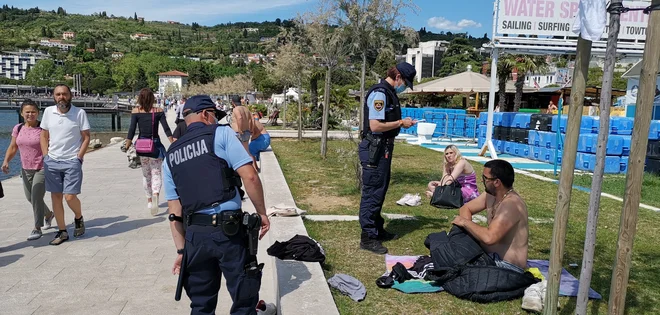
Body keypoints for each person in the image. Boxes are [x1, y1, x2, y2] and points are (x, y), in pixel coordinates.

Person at [163, 95, 270, 314]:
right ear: (205, 114)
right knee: (244, 299)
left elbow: (174, 212)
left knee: (201, 304)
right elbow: (250, 176)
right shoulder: (221, 134)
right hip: (228, 232)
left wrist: (182, 250)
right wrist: (262, 213)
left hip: (195, 236)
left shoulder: (170, 156)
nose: (216, 120)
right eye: (214, 116)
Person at [358, 62, 417, 254]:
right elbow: (375, 126)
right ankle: (367, 237)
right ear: (398, 77)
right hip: (375, 150)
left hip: (382, 149)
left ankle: (377, 229)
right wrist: (400, 122)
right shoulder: (380, 94)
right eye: (405, 83)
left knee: (379, 190)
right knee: (373, 192)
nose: (404, 87)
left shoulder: (387, 93)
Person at [451, 159, 528, 272]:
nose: (482, 181)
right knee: (447, 246)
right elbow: (465, 208)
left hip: (507, 266)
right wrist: (466, 234)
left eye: (485, 178)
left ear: (497, 182)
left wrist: (465, 223)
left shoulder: (511, 204)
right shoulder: (491, 195)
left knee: (453, 264)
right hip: (489, 257)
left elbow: (489, 238)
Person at [40, 84, 91, 245]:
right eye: (58, 94)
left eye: (64, 94)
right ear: (53, 96)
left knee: (70, 196)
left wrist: (79, 157)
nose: (61, 97)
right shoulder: (49, 112)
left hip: (71, 161)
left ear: (70, 96)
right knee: (55, 196)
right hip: (52, 161)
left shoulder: (79, 113)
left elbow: (86, 137)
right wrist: (46, 156)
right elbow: (43, 136)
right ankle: (62, 231)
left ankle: (78, 217)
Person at [2, 100, 55, 240]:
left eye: (33, 112)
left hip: (42, 167)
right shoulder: (18, 128)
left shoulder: (43, 128)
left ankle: (37, 228)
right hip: (25, 168)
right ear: (22, 113)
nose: (30, 114)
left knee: (36, 196)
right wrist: (6, 161)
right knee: (30, 198)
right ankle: (48, 215)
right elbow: (13, 147)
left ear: (38, 113)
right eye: (27, 112)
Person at [124, 88, 174, 215]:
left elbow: (131, 130)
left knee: (146, 175)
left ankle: (150, 200)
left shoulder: (136, 112)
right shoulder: (158, 111)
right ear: (153, 98)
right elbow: (166, 128)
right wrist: (173, 142)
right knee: (156, 173)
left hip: (142, 147)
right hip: (155, 146)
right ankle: (156, 193)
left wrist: (127, 144)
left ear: (140, 98)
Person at [230, 95, 257, 168]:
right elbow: (252, 119)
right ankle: (254, 169)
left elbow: (239, 117)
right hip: (247, 131)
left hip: (238, 133)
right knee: (247, 152)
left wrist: (239, 129)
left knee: (238, 153)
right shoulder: (245, 109)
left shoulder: (236, 109)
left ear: (232, 102)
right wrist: (251, 129)